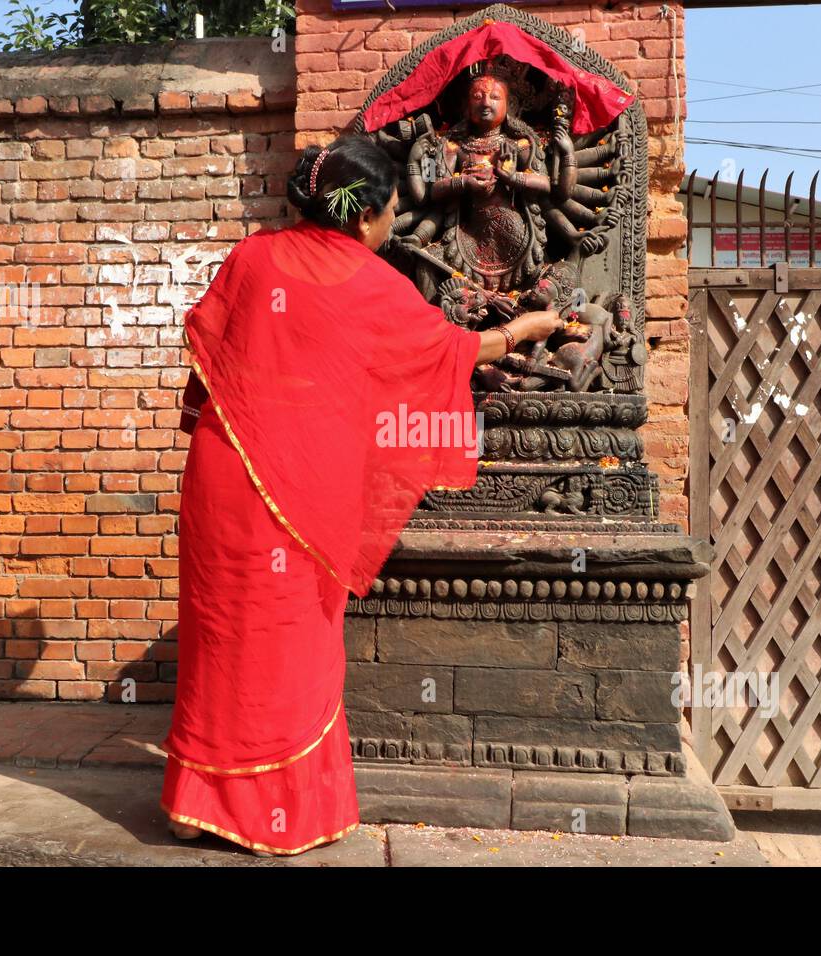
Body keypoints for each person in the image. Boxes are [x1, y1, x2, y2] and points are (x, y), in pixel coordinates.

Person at [159, 134, 562, 857]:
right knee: (288, 650)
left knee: (219, 642)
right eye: (391, 215)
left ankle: (194, 806)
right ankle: (267, 817)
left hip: (222, 475)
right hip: (296, 495)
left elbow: (211, 363)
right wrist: (523, 330)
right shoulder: (371, 285)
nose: (390, 229)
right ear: (362, 214)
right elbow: (449, 353)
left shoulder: (253, 258)